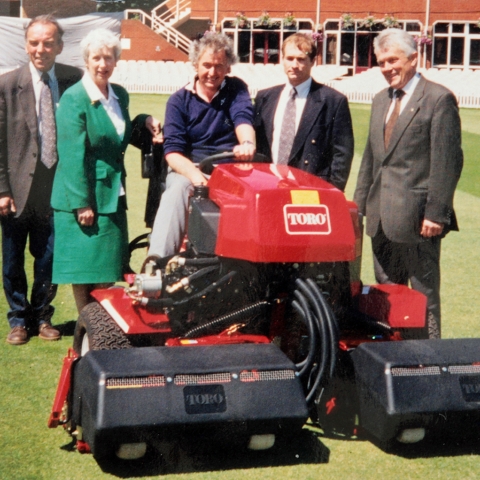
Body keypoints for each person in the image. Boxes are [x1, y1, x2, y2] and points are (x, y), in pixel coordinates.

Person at [354, 29, 463, 338]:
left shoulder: (438, 99)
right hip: (380, 218)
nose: (387, 68)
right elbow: (372, 160)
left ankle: (428, 360)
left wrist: (436, 213)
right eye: (381, 62)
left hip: (418, 221)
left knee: (423, 295)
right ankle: (394, 358)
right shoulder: (379, 100)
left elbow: (448, 161)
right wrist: (359, 207)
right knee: (387, 297)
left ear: (414, 58)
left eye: (393, 60)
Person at [50, 28, 162, 314]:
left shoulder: (120, 95)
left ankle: (100, 328)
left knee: (106, 268)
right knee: (84, 272)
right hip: (85, 200)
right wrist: (81, 203)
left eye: (108, 58)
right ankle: (87, 327)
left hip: (113, 196)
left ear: (116, 61)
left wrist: (144, 120)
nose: (103, 64)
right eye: (96, 58)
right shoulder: (74, 99)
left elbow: (118, 133)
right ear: (87, 61)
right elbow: (71, 157)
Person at [0, 15, 83, 345]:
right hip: (17, 190)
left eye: (48, 42)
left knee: (49, 257)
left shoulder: (73, 79)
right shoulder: (6, 85)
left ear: (60, 46)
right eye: (35, 42)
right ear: (26, 44)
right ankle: (19, 319)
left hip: (56, 189)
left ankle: (42, 316)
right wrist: (2, 190)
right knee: (13, 259)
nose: (41, 49)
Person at [147, 32, 255, 258]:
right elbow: (173, 153)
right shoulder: (178, 101)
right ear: (195, 64)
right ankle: (157, 260)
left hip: (230, 170)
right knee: (177, 188)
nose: (212, 72)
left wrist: (246, 143)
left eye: (219, 66)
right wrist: (197, 177)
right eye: (206, 65)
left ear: (228, 68)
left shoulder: (236, 90)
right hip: (190, 169)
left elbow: (243, 119)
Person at [254, 33, 354, 191]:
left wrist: (332, 191)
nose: (294, 65)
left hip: (311, 189)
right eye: (289, 58)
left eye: (301, 59)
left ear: (312, 61)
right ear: (282, 59)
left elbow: (342, 154)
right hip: (268, 186)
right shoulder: (265, 98)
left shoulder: (333, 101)